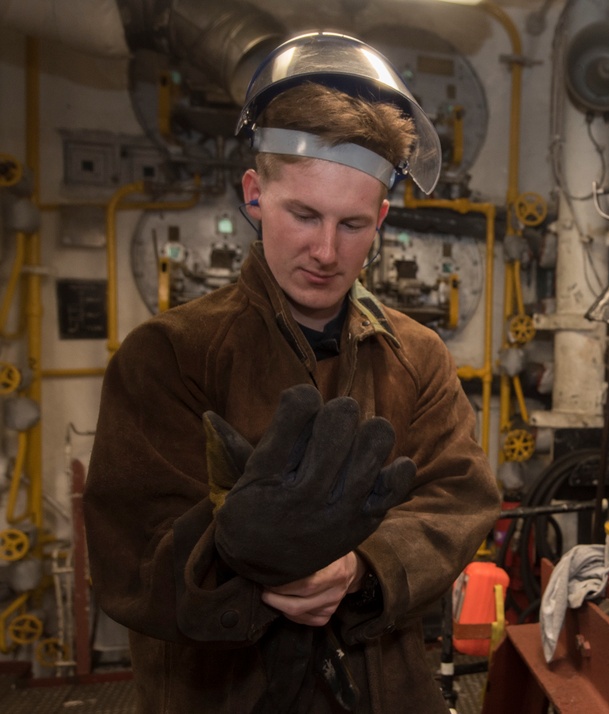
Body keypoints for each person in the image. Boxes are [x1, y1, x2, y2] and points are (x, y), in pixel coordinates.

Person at [83, 31, 500, 714]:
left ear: (382, 218)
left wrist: (362, 566)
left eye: (354, 224)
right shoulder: (169, 355)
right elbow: (131, 563)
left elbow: (458, 499)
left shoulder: (416, 354)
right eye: (303, 214)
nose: (327, 251)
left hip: (383, 691)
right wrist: (246, 560)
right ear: (254, 193)